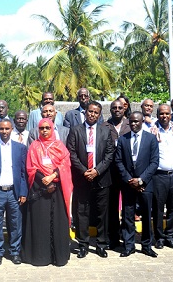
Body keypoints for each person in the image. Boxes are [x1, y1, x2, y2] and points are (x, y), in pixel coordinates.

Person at [21, 118, 73, 267]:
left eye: (47, 128)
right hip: (39, 189)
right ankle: (41, 256)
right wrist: (44, 179)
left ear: (52, 129)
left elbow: (65, 164)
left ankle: (58, 256)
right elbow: (31, 167)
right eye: (41, 128)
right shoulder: (34, 146)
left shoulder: (59, 145)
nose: (44, 130)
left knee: (57, 222)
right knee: (40, 223)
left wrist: (53, 176)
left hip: (57, 189)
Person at [67, 101, 115, 258]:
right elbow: (71, 153)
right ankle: (83, 244)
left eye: (96, 112)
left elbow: (109, 154)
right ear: (85, 112)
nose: (92, 114)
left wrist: (97, 170)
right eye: (90, 111)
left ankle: (101, 244)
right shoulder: (75, 130)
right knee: (82, 212)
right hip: (82, 179)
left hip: (101, 179)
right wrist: (84, 171)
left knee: (102, 213)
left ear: (99, 114)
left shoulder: (105, 131)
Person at [0, 119, 28, 265]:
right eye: (1, 129)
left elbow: (23, 173)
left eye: (7, 129)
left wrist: (23, 192)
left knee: (15, 224)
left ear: (12, 129)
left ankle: (15, 252)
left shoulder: (20, 148)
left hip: (14, 192)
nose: (4, 132)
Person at [114, 112, 159, 258]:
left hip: (145, 185)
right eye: (131, 122)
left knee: (146, 215)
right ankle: (129, 246)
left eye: (136, 122)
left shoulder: (151, 139)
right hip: (128, 185)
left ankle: (147, 245)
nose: (133, 124)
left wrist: (140, 180)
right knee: (128, 215)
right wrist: (130, 180)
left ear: (141, 122)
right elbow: (118, 161)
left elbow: (154, 162)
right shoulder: (122, 140)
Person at [151, 104, 173, 250]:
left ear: (171, 115)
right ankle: (159, 238)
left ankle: (170, 236)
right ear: (157, 115)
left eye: (167, 114)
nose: (164, 116)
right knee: (158, 208)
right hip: (159, 176)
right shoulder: (152, 131)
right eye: (161, 114)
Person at [103, 99, 130, 250]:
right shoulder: (104, 126)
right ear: (111, 110)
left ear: (124, 109)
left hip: (126, 173)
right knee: (112, 207)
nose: (117, 110)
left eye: (120, 107)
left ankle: (127, 239)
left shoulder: (130, 124)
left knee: (127, 206)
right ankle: (112, 239)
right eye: (114, 108)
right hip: (110, 173)